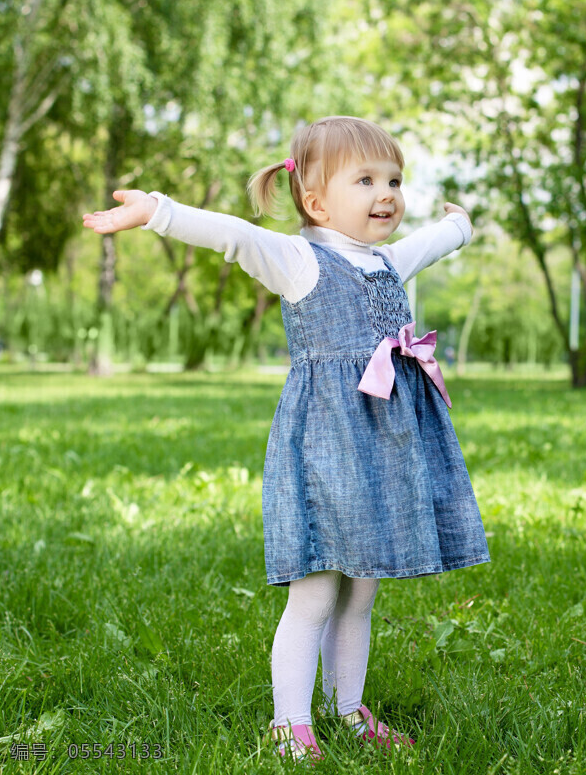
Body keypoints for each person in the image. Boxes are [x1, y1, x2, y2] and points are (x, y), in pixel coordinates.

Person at [82, 116, 489, 761]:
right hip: (329, 449)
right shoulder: (300, 259)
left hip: (383, 448)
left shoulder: (385, 260)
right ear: (316, 201)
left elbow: (430, 244)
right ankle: (290, 721)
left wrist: (459, 226)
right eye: (367, 180)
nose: (387, 193)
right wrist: (158, 212)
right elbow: (234, 235)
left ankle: (348, 708)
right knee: (319, 585)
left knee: (363, 586)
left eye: (393, 180)